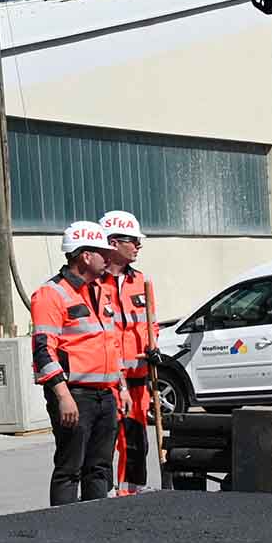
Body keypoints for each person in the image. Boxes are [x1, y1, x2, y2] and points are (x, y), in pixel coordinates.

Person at [31, 221, 122, 505]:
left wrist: (120, 390)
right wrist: (63, 397)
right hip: (75, 395)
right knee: (70, 469)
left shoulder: (100, 290)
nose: (108, 258)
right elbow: (44, 351)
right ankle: (65, 534)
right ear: (84, 255)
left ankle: (96, 527)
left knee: (99, 469)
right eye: (102, 252)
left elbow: (109, 343)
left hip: (105, 394)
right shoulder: (51, 294)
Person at [100, 209, 156, 492]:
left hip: (138, 376)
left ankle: (134, 490)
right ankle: (106, 491)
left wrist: (152, 347)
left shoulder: (141, 280)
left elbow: (150, 324)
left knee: (136, 439)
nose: (138, 246)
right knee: (108, 438)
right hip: (108, 377)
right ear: (113, 243)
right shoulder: (95, 284)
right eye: (132, 240)